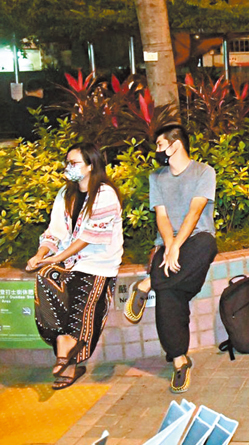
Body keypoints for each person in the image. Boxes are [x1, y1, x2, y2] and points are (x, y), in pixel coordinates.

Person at [123, 124, 218, 393]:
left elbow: (195, 212)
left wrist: (176, 245)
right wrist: (169, 245)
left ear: (176, 145)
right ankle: (179, 360)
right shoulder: (157, 177)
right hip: (167, 244)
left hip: (196, 240)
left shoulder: (204, 171)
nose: (157, 150)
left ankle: (148, 284)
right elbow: (161, 216)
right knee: (170, 293)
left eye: (160, 144)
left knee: (206, 244)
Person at [28, 143, 123, 389]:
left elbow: (89, 237)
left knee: (83, 299)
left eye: (74, 163)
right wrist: (41, 255)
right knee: (45, 277)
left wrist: (57, 257)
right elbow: (55, 231)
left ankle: (68, 358)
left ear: (90, 165)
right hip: (70, 262)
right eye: (67, 163)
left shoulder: (104, 194)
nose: (68, 167)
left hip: (98, 264)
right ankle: (62, 341)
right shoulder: (65, 194)